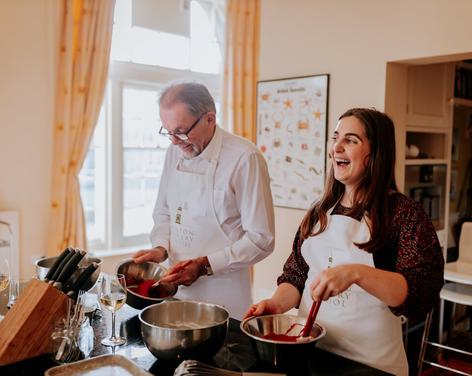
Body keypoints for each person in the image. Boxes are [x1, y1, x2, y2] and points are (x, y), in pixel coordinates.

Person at [244, 108, 444, 375]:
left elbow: (421, 290)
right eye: (335, 137)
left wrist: (356, 273)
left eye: (351, 140)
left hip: (370, 364)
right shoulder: (320, 210)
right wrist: (276, 303)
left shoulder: (403, 214)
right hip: (311, 353)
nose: (336, 147)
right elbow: (297, 275)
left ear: (376, 153)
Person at [132, 81, 275, 319]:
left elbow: (261, 239)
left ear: (210, 118)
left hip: (224, 297)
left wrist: (204, 265)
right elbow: (165, 213)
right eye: (168, 132)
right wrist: (160, 248)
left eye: (181, 131)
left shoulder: (245, 158)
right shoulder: (174, 152)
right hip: (174, 293)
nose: (176, 141)